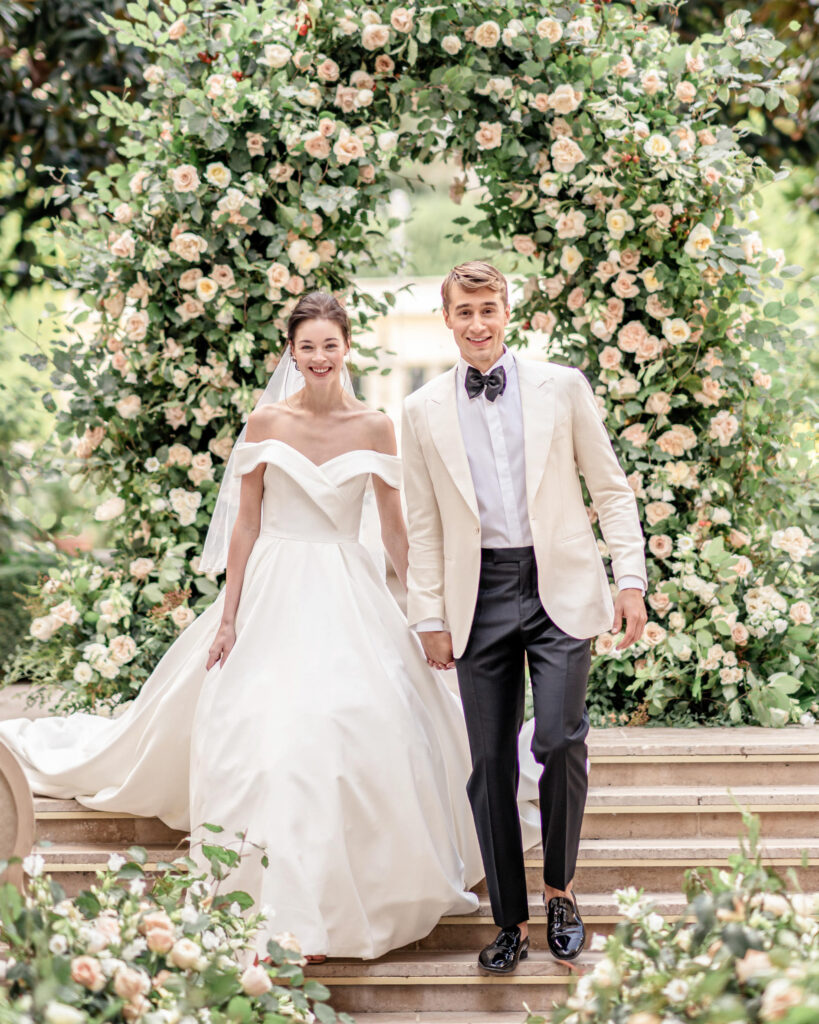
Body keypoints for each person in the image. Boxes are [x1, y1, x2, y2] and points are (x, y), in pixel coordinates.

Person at [0, 291, 541, 961]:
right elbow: (246, 523)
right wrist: (228, 618)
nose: (318, 357)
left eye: (329, 345)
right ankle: (281, 912)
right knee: (272, 736)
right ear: (291, 350)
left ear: (346, 348)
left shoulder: (376, 425)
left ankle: (346, 903)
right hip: (276, 592)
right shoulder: (264, 424)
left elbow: (397, 535)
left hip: (350, 592)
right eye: (306, 345)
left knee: (356, 726)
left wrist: (425, 611)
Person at [402, 261, 648, 972]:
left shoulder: (560, 387)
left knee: (562, 740)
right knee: (486, 762)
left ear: (508, 311)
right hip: (475, 597)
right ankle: (507, 919)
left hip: (559, 587)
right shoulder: (418, 413)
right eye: (463, 312)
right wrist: (429, 618)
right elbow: (422, 528)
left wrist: (628, 580)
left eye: (488, 308)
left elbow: (610, 491)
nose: (477, 324)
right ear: (445, 320)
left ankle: (560, 893)